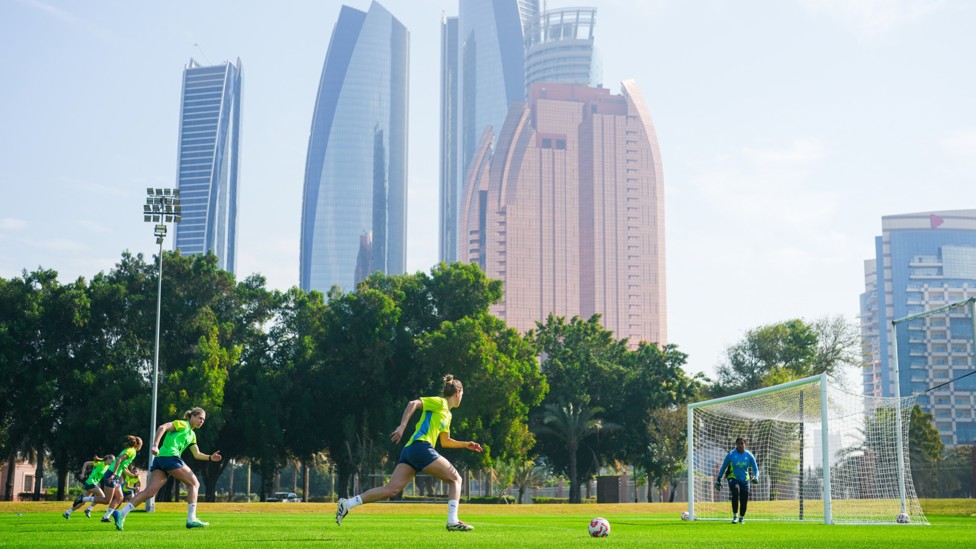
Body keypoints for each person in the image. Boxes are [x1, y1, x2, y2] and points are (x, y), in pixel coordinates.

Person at [335, 374, 483, 531]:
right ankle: (452, 520)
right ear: (458, 393)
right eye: (462, 395)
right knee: (456, 479)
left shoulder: (448, 415)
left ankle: (347, 503)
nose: (462, 398)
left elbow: (445, 442)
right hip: (421, 447)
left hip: (411, 450)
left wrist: (466, 444)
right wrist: (402, 427)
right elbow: (413, 403)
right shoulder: (441, 403)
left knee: (391, 490)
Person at [112, 407, 222, 531]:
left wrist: (211, 458)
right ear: (192, 416)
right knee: (194, 484)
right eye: (200, 418)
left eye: (203, 420)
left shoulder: (192, 435)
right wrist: (155, 445)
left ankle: (121, 513)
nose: (201, 421)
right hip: (170, 457)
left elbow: (197, 454)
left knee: (149, 492)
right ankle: (191, 519)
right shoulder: (182, 424)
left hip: (160, 460)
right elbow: (162, 427)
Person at [87, 435, 142, 522]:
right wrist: (113, 474)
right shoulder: (131, 451)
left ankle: (105, 517)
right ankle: (82, 499)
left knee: (120, 497)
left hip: (115, 475)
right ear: (138, 445)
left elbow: (123, 467)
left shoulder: (129, 450)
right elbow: (119, 460)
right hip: (112, 475)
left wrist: (132, 475)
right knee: (106, 500)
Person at [714, 437, 759, 524]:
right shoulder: (731, 454)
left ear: (745, 445)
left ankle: (741, 518)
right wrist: (718, 479)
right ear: (736, 445)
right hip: (732, 477)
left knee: (744, 499)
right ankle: (735, 516)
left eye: (742, 443)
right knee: (735, 492)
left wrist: (756, 476)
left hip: (745, 479)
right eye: (738, 443)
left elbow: (756, 469)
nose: (740, 445)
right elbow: (724, 467)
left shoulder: (749, 455)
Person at [62, 453, 115, 519]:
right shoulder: (99, 463)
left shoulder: (107, 467)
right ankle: (89, 509)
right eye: (112, 461)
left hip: (93, 483)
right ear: (108, 459)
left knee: (83, 502)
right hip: (91, 483)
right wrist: (82, 474)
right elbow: (86, 463)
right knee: (102, 497)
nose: (112, 463)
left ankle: (67, 512)